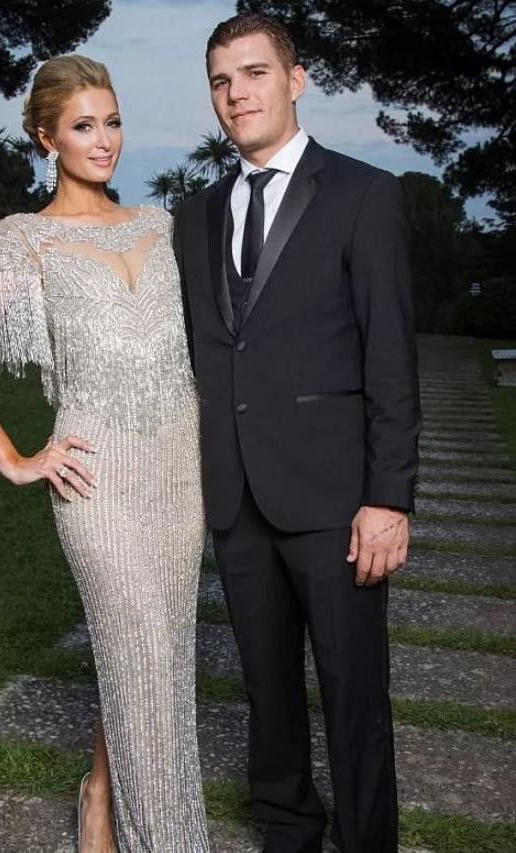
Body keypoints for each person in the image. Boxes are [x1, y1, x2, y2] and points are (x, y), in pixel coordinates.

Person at [0, 54, 210, 853]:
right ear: (45, 137)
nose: (104, 140)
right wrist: (16, 458)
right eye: (84, 126)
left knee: (154, 659)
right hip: (97, 480)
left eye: (113, 121)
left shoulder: (160, 225)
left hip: (180, 473)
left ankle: (97, 795)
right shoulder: (24, 239)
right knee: (142, 650)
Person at [173, 13, 421, 853]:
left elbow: (391, 355)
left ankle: (367, 839)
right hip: (236, 495)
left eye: (253, 73)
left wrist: (389, 497)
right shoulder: (194, 215)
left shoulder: (362, 193)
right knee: (266, 688)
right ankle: (287, 827)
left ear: (295, 78)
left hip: (336, 500)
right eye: (221, 80)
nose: (236, 93)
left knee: (354, 690)